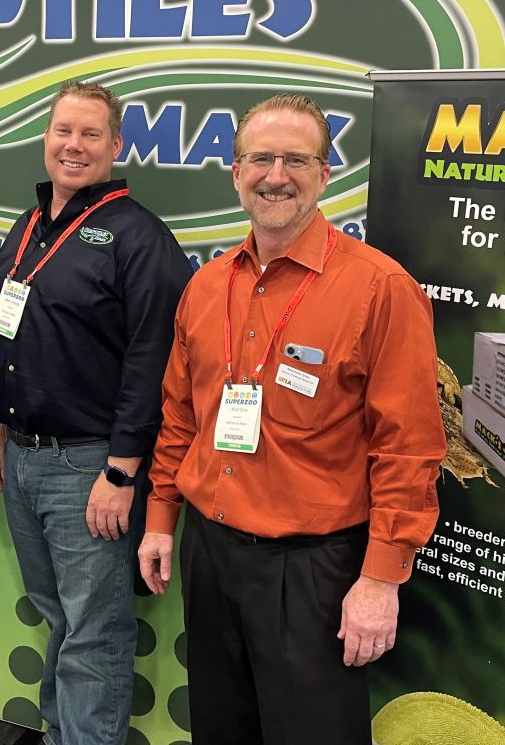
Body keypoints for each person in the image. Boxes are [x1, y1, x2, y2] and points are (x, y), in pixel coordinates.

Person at [139, 93, 446, 744]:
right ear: (235, 170)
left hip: (314, 571)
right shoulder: (207, 285)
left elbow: (409, 448)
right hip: (211, 554)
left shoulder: (379, 289)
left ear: (326, 173)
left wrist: (381, 579)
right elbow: (179, 416)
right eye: (260, 158)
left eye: (296, 160)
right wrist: (162, 519)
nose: (276, 175)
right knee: (221, 730)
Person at [0, 81, 193, 745]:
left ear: (116, 145)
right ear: (46, 138)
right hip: (20, 456)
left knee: (94, 630)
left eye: (90, 134)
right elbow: (6, 331)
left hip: (90, 465)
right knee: (61, 617)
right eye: (62, 131)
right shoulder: (28, 226)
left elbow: (152, 360)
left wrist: (123, 471)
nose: (73, 145)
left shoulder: (139, 237)